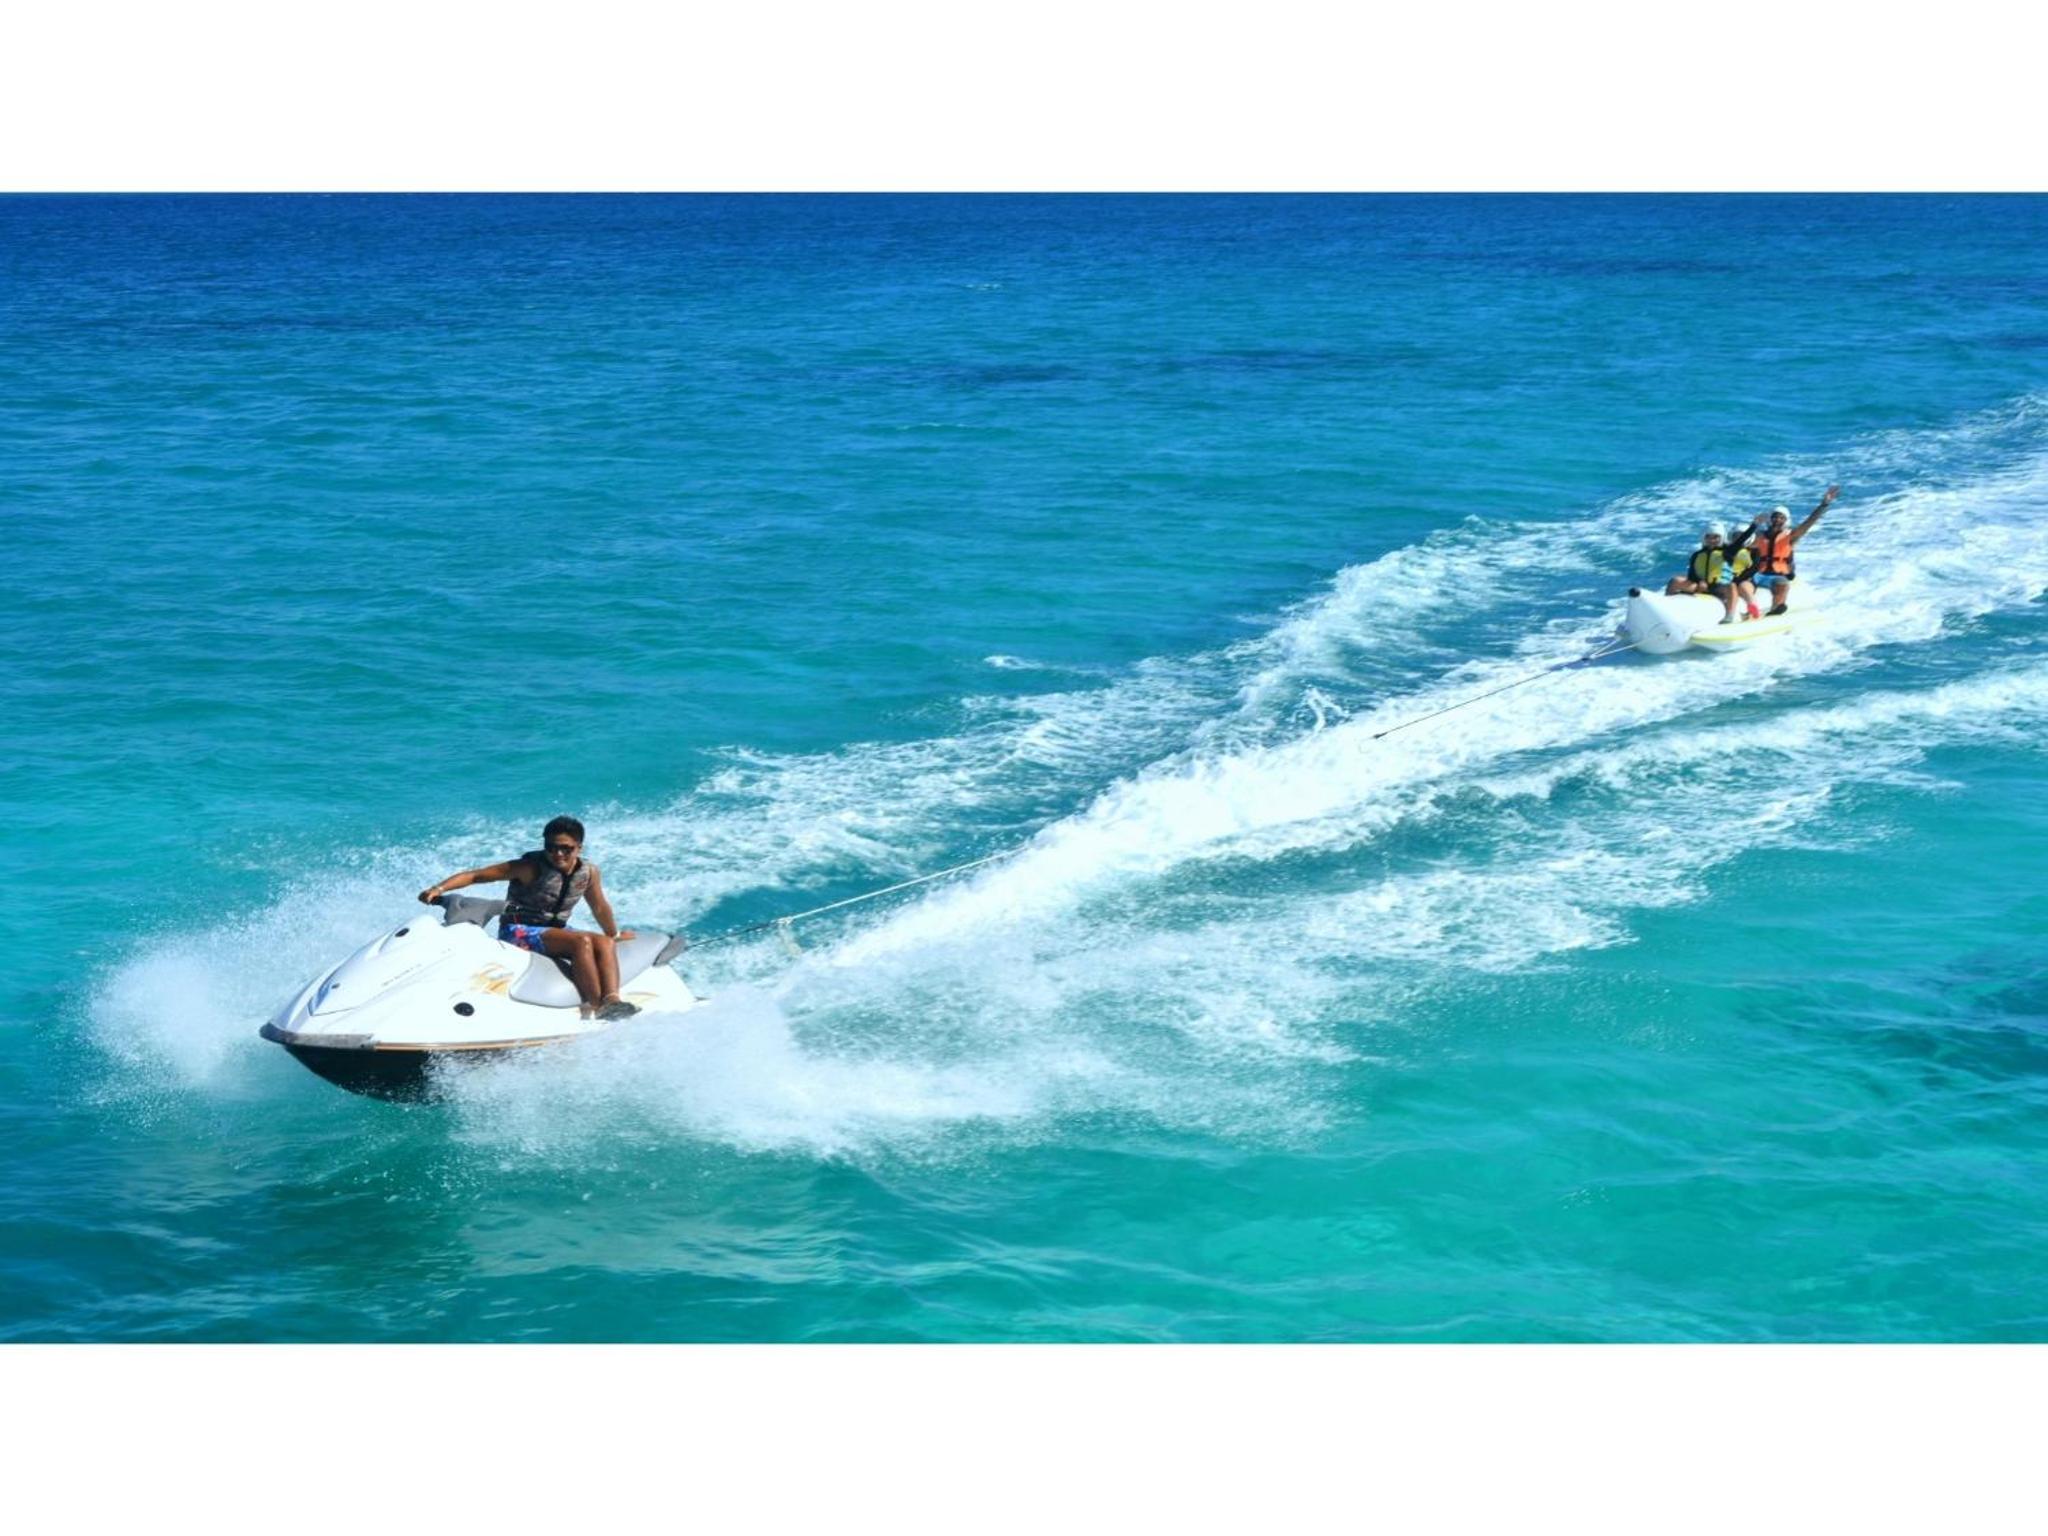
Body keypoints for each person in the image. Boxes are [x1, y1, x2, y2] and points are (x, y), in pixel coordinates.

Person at [417, 816, 640, 1020]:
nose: (558, 854)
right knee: (582, 942)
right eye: (551, 847)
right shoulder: (528, 867)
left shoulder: (589, 872)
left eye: (566, 848)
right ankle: (598, 1006)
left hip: (555, 930)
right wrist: (438, 888)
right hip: (518, 931)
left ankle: (613, 1000)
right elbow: (475, 875)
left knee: (605, 942)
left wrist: (613, 934)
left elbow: (599, 906)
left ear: (579, 847)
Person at [1744, 485, 1839, 615]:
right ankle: (1751, 607)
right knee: (1745, 584)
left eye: (1781, 517)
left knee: (1782, 586)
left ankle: (1776, 608)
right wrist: (1753, 524)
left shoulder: (1790, 536)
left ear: (1786, 521)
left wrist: (1823, 505)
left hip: (1778, 575)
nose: (1777, 520)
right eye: (1775, 517)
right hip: (1758, 574)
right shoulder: (1759, 535)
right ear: (1770, 519)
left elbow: (1808, 523)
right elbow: (1742, 543)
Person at [1664, 522, 1760, 625]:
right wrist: (1700, 582)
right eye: (1708, 537)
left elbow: (1740, 540)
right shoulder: (1697, 555)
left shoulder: (1728, 552)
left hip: (1719, 587)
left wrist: (1754, 525)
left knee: (1731, 586)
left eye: (1716, 537)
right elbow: (1692, 574)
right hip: (1701, 586)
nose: (1712, 540)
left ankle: (1729, 615)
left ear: (1722, 537)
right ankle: (1667, 607)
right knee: (1675, 581)